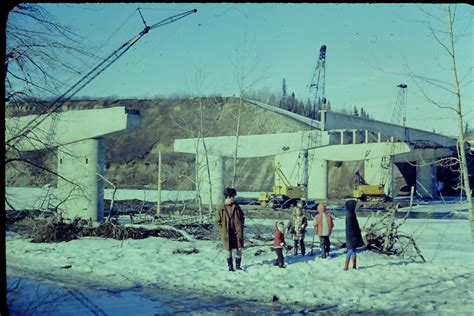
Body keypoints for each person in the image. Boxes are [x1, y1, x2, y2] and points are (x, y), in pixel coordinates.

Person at [215, 187, 245, 272]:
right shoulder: (221, 208)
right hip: (227, 233)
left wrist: (241, 226)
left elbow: (242, 217)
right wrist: (223, 231)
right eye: (233, 196)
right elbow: (217, 221)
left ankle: (238, 266)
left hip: (237, 232)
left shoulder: (236, 206)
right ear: (229, 197)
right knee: (229, 250)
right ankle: (230, 267)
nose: (234, 198)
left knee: (239, 248)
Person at [344, 199, 364, 271]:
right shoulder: (350, 215)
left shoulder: (351, 213)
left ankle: (354, 265)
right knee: (350, 250)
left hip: (353, 236)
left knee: (353, 250)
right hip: (351, 236)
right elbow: (350, 227)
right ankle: (346, 267)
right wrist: (355, 234)